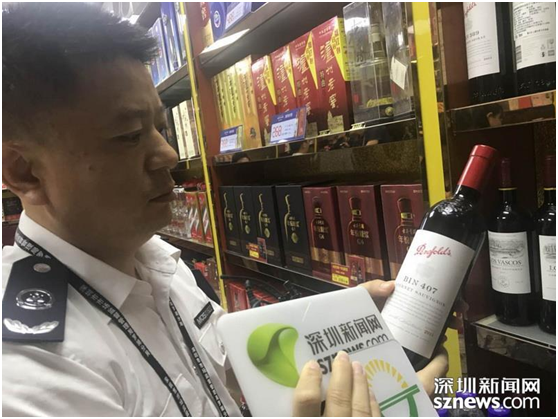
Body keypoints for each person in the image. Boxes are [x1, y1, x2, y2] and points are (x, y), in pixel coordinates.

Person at [2, 3, 453, 416]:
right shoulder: (30, 371)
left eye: (161, 127)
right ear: (25, 172)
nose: (168, 155)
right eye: (128, 136)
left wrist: (347, 318)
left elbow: (228, 355)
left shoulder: (157, 261)